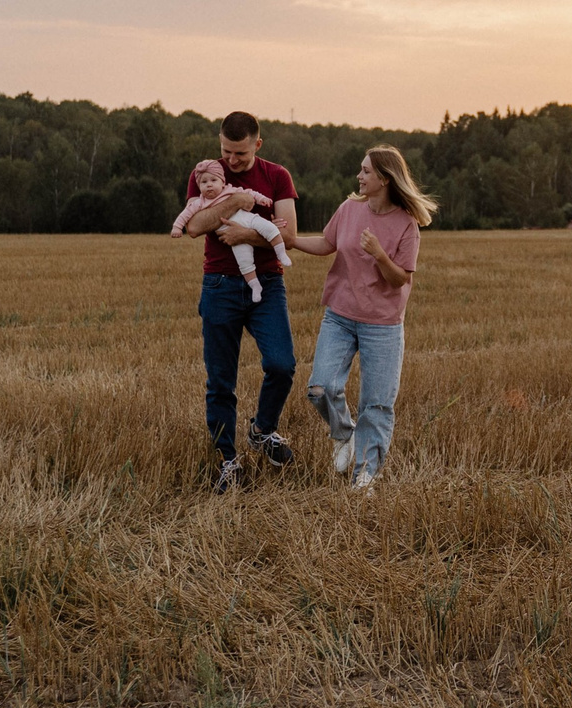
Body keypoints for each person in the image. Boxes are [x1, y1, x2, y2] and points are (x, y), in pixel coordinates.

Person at [287, 144, 434, 493]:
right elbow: (326, 243)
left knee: (377, 404)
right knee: (320, 387)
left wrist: (380, 255)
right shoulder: (349, 209)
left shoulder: (406, 225)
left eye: (366, 171)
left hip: (382, 324)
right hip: (339, 315)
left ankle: (365, 474)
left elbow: (400, 278)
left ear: (384, 178)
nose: (359, 176)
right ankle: (342, 434)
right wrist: (290, 240)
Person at [178, 112, 300, 491]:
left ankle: (262, 431)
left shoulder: (277, 176)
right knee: (220, 381)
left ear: (257, 146)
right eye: (226, 152)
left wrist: (245, 232)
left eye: (241, 155)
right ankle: (227, 462)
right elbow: (195, 226)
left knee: (282, 365)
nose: (231, 162)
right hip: (219, 285)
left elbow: (290, 235)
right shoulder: (205, 173)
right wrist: (239, 201)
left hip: (267, 282)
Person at [171, 158, 289, 304]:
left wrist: (262, 199)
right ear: (199, 186)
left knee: (270, 228)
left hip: (249, 220)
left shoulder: (230, 190)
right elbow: (186, 216)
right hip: (230, 238)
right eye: (203, 182)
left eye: (213, 180)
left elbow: (250, 193)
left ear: (222, 182)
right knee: (244, 262)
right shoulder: (200, 202)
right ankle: (255, 286)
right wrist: (177, 227)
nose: (209, 185)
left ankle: (281, 254)